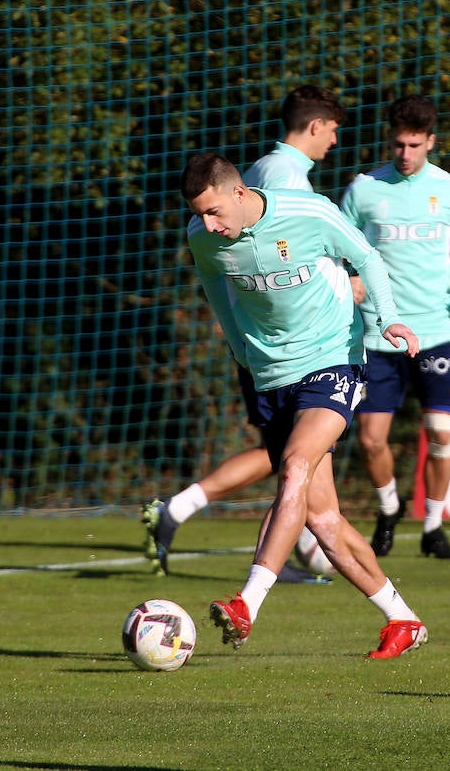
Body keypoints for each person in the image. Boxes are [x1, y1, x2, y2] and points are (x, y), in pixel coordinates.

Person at [181, 151, 427, 659]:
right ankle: (403, 619)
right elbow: (216, 293)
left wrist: (388, 320)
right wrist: (240, 354)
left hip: (333, 358)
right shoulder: (203, 239)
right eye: (200, 214)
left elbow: (366, 257)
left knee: (294, 466)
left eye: (214, 212)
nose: (208, 224)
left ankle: (246, 605)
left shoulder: (309, 213)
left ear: (240, 193)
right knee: (325, 521)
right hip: (269, 374)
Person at [144, 85, 352, 579]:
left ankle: (288, 548)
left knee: (294, 455)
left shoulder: (260, 169)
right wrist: (349, 284)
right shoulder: (287, 177)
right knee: (294, 455)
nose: (336, 142)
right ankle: (195, 517)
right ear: (317, 126)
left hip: (272, 336)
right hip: (285, 342)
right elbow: (301, 249)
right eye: (334, 131)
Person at [339, 95, 450, 559]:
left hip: (436, 330)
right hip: (377, 331)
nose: (404, 153)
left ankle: (432, 526)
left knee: (441, 433)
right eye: (398, 144)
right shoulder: (365, 188)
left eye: (414, 145)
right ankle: (390, 507)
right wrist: (348, 274)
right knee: (371, 440)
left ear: (431, 141)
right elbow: (340, 241)